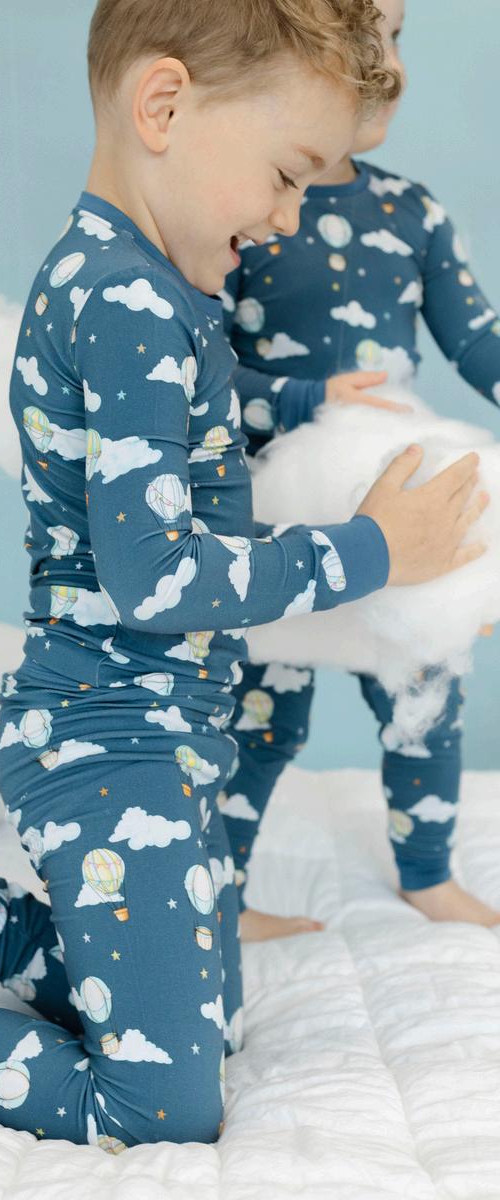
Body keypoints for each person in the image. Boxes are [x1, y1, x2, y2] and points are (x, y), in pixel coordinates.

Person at [0, 0, 487, 1150]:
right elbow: (154, 579)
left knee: (212, 1021)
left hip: (158, 735)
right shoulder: (127, 303)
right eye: (285, 175)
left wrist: (314, 412)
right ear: (163, 107)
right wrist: (372, 551)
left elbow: (195, 447)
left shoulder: (146, 291)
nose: (288, 217)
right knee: (164, 1105)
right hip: (106, 742)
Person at [219, 0, 500, 943]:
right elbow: (201, 375)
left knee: (425, 686)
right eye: (359, 32)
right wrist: (304, 398)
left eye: (396, 33)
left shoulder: (413, 211)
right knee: (262, 716)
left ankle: (429, 874)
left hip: (393, 487)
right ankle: (222, 890)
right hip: (284, 507)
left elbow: (478, 342)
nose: (388, 60)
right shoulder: (245, 209)